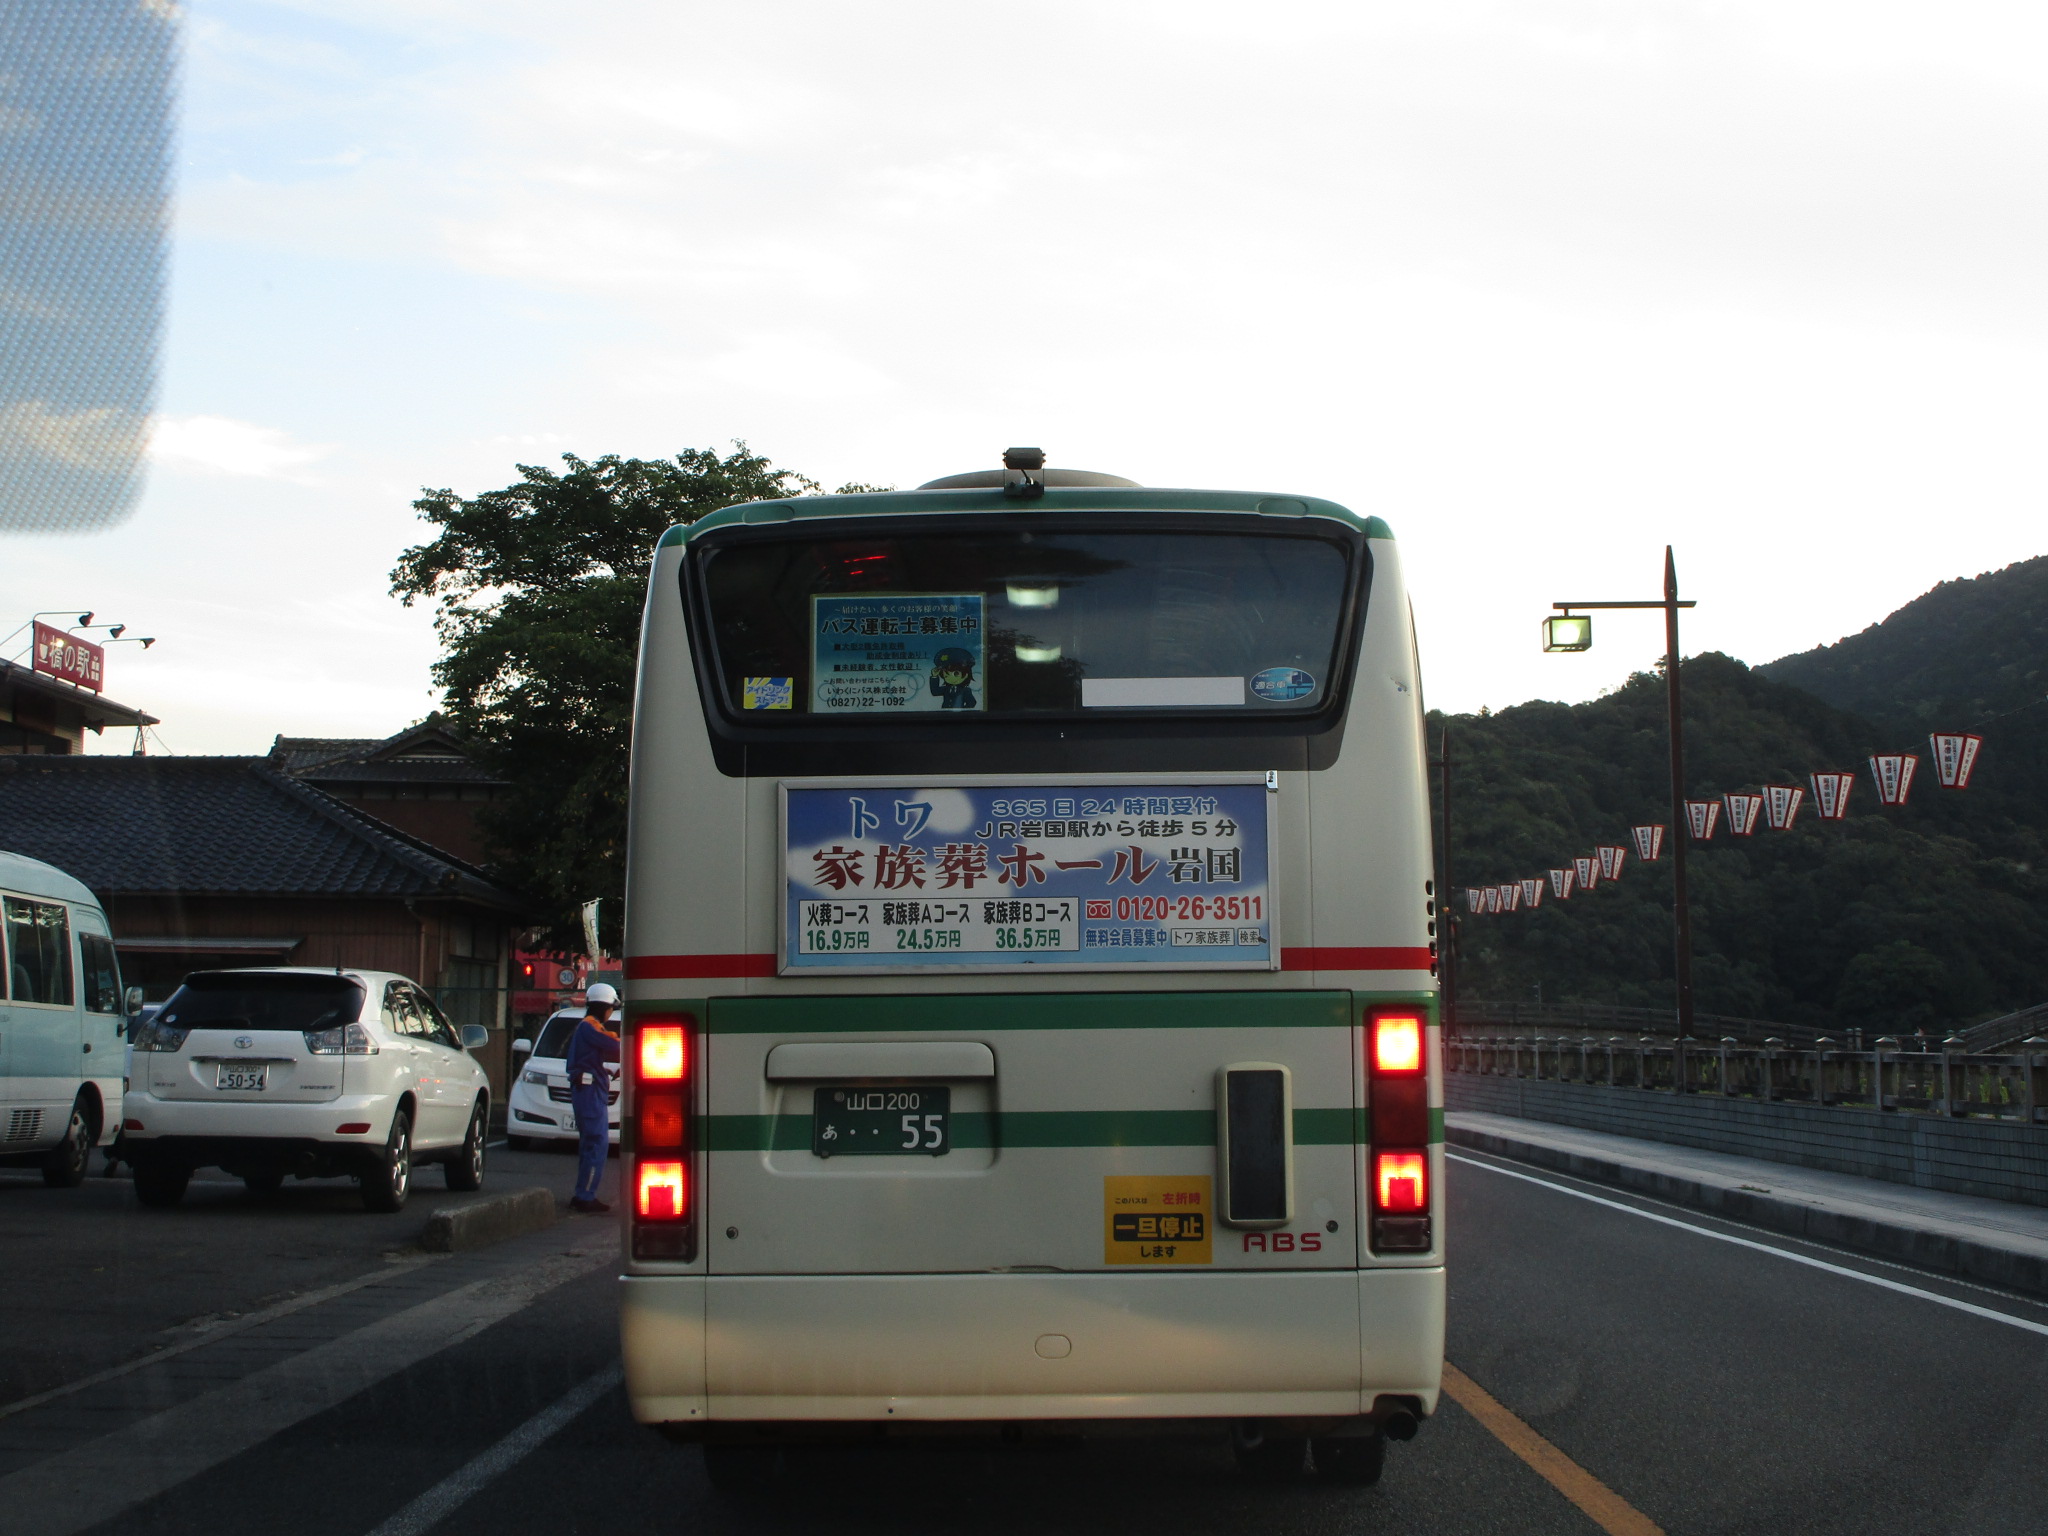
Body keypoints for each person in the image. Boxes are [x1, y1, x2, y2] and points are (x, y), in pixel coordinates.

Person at [566, 982, 621, 1213]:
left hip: (590, 1088)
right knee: (596, 1142)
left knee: (592, 1143)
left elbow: (587, 1058)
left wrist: (604, 1070)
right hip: (589, 1091)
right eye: (611, 1008)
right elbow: (614, 1043)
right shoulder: (590, 1027)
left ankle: (584, 1192)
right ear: (605, 1007)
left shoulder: (586, 1027)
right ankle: (585, 1195)